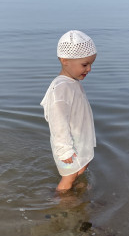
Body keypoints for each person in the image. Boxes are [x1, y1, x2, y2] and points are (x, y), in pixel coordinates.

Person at [41, 30, 97, 192]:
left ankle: (77, 189)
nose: (89, 69)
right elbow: (57, 120)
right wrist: (64, 150)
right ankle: (62, 200)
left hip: (79, 139)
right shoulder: (61, 88)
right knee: (69, 177)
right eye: (84, 65)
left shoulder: (71, 82)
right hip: (68, 145)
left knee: (81, 168)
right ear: (65, 61)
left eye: (91, 64)